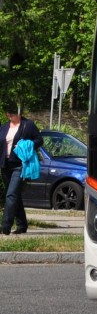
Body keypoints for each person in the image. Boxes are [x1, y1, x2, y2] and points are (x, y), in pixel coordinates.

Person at [2, 101, 43, 236]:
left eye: (12, 113)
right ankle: (22, 224)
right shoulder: (4, 127)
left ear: (19, 112)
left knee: (11, 194)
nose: (10, 116)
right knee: (15, 195)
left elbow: (39, 140)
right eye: (8, 114)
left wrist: (27, 144)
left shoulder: (28, 125)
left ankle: (5, 226)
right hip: (6, 165)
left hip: (20, 164)